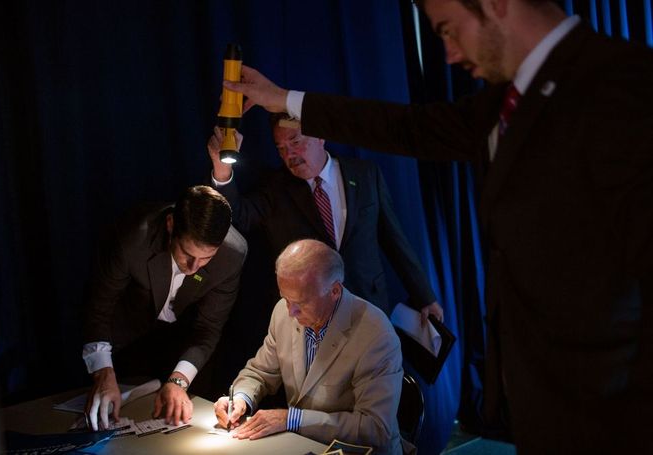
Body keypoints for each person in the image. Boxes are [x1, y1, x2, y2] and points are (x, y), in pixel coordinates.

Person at [221, 1, 653, 453]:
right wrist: (285, 100)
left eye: (447, 30)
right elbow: (407, 128)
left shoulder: (624, 85)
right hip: (540, 401)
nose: (447, 54)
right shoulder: (503, 103)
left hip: (611, 407)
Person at [207, 116, 443, 324]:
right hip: (311, 318)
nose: (289, 155)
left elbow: (394, 240)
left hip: (368, 308)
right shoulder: (275, 188)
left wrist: (425, 297)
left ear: (320, 135)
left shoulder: (365, 175)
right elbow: (237, 216)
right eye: (281, 148)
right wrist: (221, 171)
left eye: (296, 142)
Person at [213, 239, 404, 454]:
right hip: (302, 446)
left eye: (301, 303)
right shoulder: (283, 313)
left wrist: (293, 419)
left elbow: (374, 428)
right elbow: (260, 372)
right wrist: (240, 399)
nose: (291, 312)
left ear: (334, 291)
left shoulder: (376, 334)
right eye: (285, 298)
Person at [82, 185, 247, 431]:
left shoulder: (233, 253)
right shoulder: (134, 238)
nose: (193, 267)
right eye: (187, 254)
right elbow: (98, 308)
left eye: (206, 259)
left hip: (184, 339)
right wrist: (103, 371)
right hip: (126, 336)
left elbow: (208, 328)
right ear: (170, 225)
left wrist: (178, 381)